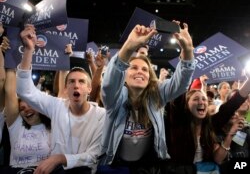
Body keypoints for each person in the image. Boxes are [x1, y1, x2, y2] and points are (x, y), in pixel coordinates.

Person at [98, 21, 196, 173]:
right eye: (134, 67)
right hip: (115, 164)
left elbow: (180, 84)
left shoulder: (156, 96)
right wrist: (129, 45)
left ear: (150, 77)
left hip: (148, 166)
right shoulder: (115, 99)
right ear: (124, 76)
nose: (140, 71)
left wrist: (187, 50)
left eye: (145, 69)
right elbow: (109, 84)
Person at [16, 24, 106, 174]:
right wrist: (29, 50)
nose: (76, 85)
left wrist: (59, 158)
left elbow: (94, 155)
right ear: (65, 89)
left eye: (82, 81)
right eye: (71, 81)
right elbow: (24, 91)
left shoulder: (101, 115)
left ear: (89, 89)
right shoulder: (57, 106)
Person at [164, 72, 250, 174]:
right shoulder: (178, 124)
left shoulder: (211, 124)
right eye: (196, 99)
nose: (201, 102)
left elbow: (234, 103)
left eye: (204, 99)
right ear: (186, 105)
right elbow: (176, 100)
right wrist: (189, 70)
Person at [0, 31, 52, 173]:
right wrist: (10, 56)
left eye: (30, 104)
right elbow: (10, 91)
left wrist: (64, 60)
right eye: (21, 107)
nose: (25, 108)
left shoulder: (54, 126)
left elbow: (63, 94)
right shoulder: (16, 126)